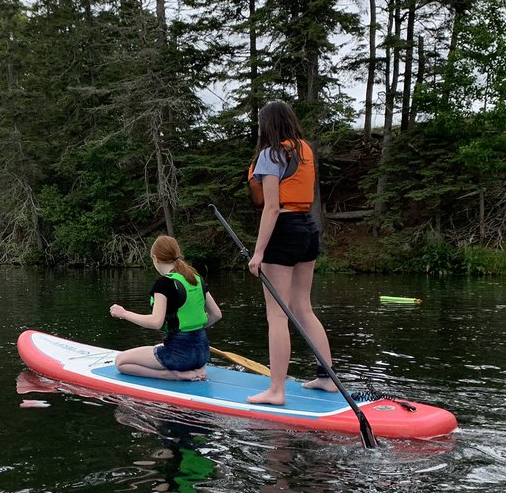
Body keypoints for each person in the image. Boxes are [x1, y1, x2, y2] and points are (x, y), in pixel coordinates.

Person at [245, 100, 337, 405]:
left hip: (283, 231)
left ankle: (276, 390)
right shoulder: (304, 149)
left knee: (277, 315)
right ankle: (328, 379)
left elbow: (270, 207)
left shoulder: (270, 155)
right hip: (308, 229)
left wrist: (258, 254)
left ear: (267, 125)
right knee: (303, 308)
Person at [109, 235, 222, 381]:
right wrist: (191, 332)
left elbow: (156, 322)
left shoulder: (164, 284)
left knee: (121, 362)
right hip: (202, 355)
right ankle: (195, 368)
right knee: (159, 345)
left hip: (179, 357)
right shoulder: (195, 278)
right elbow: (216, 315)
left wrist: (124, 313)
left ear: (155, 258)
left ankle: (174, 375)